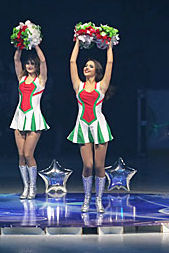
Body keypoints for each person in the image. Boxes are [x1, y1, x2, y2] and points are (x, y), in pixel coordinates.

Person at [68, 38, 113, 213]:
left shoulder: (102, 86)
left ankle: (99, 200)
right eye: (85, 66)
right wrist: (78, 42)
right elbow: (72, 61)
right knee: (87, 165)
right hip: (83, 127)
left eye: (90, 66)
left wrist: (109, 46)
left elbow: (109, 62)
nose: (86, 68)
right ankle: (87, 199)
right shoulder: (78, 85)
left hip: (99, 127)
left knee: (99, 166)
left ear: (96, 71)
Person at [11, 45, 49, 200]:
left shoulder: (41, 80)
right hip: (20, 118)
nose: (29, 66)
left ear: (37, 66)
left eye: (33, 64)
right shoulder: (21, 78)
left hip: (34, 118)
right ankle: (25, 187)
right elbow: (16, 59)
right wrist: (20, 45)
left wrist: (36, 45)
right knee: (21, 155)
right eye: (28, 64)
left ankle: (33, 187)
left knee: (28, 154)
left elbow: (44, 60)